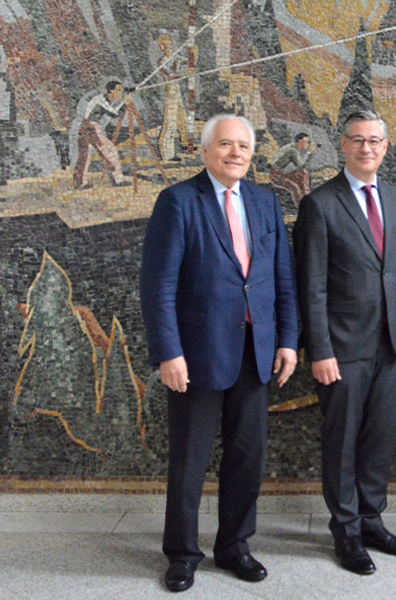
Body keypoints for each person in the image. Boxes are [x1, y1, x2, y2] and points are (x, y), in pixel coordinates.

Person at [139, 114, 299, 593]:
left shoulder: (265, 202)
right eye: (225, 144)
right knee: (190, 459)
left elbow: (281, 279)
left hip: (257, 351)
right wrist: (169, 352)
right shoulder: (177, 201)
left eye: (243, 146)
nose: (235, 153)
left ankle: (234, 547)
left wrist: (288, 340)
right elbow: (158, 285)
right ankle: (183, 554)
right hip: (196, 355)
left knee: (247, 455)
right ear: (204, 151)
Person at [293, 111, 396, 576]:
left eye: (375, 141)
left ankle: (372, 521)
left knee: (379, 439)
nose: (367, 148)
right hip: (342, 349)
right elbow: (313, 286)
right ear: (342, 145)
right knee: (342, 441)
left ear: (386, 147)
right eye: (357, 140)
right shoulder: (320, 204)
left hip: (389, 345)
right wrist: (320, 349)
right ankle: (345, 531)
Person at [72, 80, 130, 189]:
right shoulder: (100, 100)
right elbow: (114, 113)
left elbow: (113, 110)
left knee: (84, 157)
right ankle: (118, 180)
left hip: (84, 128)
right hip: (91, 128)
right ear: (110, 91)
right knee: (110, 151)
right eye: (118, 90)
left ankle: (79, 183)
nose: (120, 93)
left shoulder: (104, 100)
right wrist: (125, 104)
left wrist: (124, 100)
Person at [156, 34, 192, 162]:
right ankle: (167, 154)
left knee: (182, 118)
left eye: (167, 44)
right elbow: (169, 77)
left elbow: (188, 61)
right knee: (170, 122)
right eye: (163, 45)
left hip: (176, 91)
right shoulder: (161, 61)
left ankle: (185, 144)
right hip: (170, 90)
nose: (166, 47)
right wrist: (184, 74)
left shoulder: (175, 56)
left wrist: (192, 55)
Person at [271, 132, 315, 202]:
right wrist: (309, 152)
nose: (308, 144)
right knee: (295, 187)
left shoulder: (292, 148)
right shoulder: (292, 151)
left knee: (302, 174)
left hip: (283, 173)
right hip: (276, 175)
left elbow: (302, 166)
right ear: (299, 141)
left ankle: (307, 197)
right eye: (306, 142)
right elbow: (301, 165)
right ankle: (301, 206)